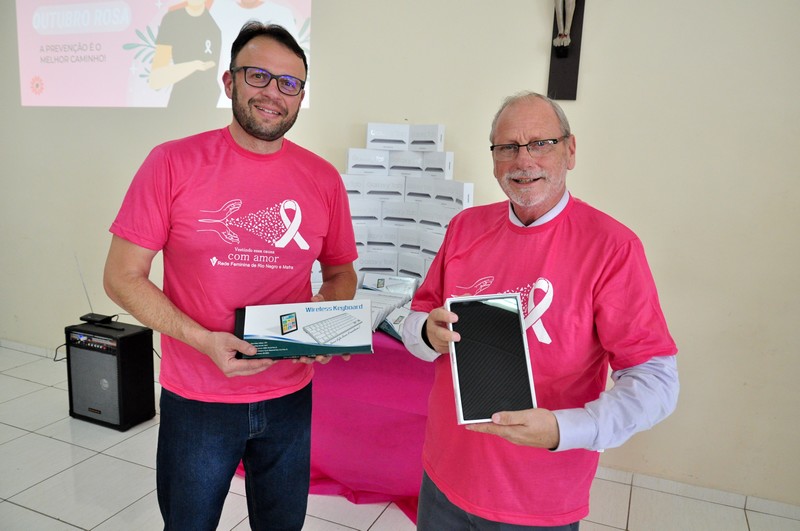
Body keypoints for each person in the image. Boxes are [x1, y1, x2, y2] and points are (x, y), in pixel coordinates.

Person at [104, 22, 358, 531]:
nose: (273, 93)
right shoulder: (172, 162)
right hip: (199, 397)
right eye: (258, 76)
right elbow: (121, 277)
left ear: (300, 96)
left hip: (289, 396)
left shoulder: (323, 178)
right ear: (229, 81)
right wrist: (202, 340)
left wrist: (320, 325)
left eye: (289, 83)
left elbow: (340, 273)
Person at [402, 91, 679, 530]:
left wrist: (564, 429)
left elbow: (656, 380)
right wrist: (426, 333)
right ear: (494, 159)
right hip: (445, 474)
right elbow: (416, 320)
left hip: (540, 495)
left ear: (570, 150)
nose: (523, 160)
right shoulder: (465, 228)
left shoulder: (612, 247)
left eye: (540, 143)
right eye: (507, 147)